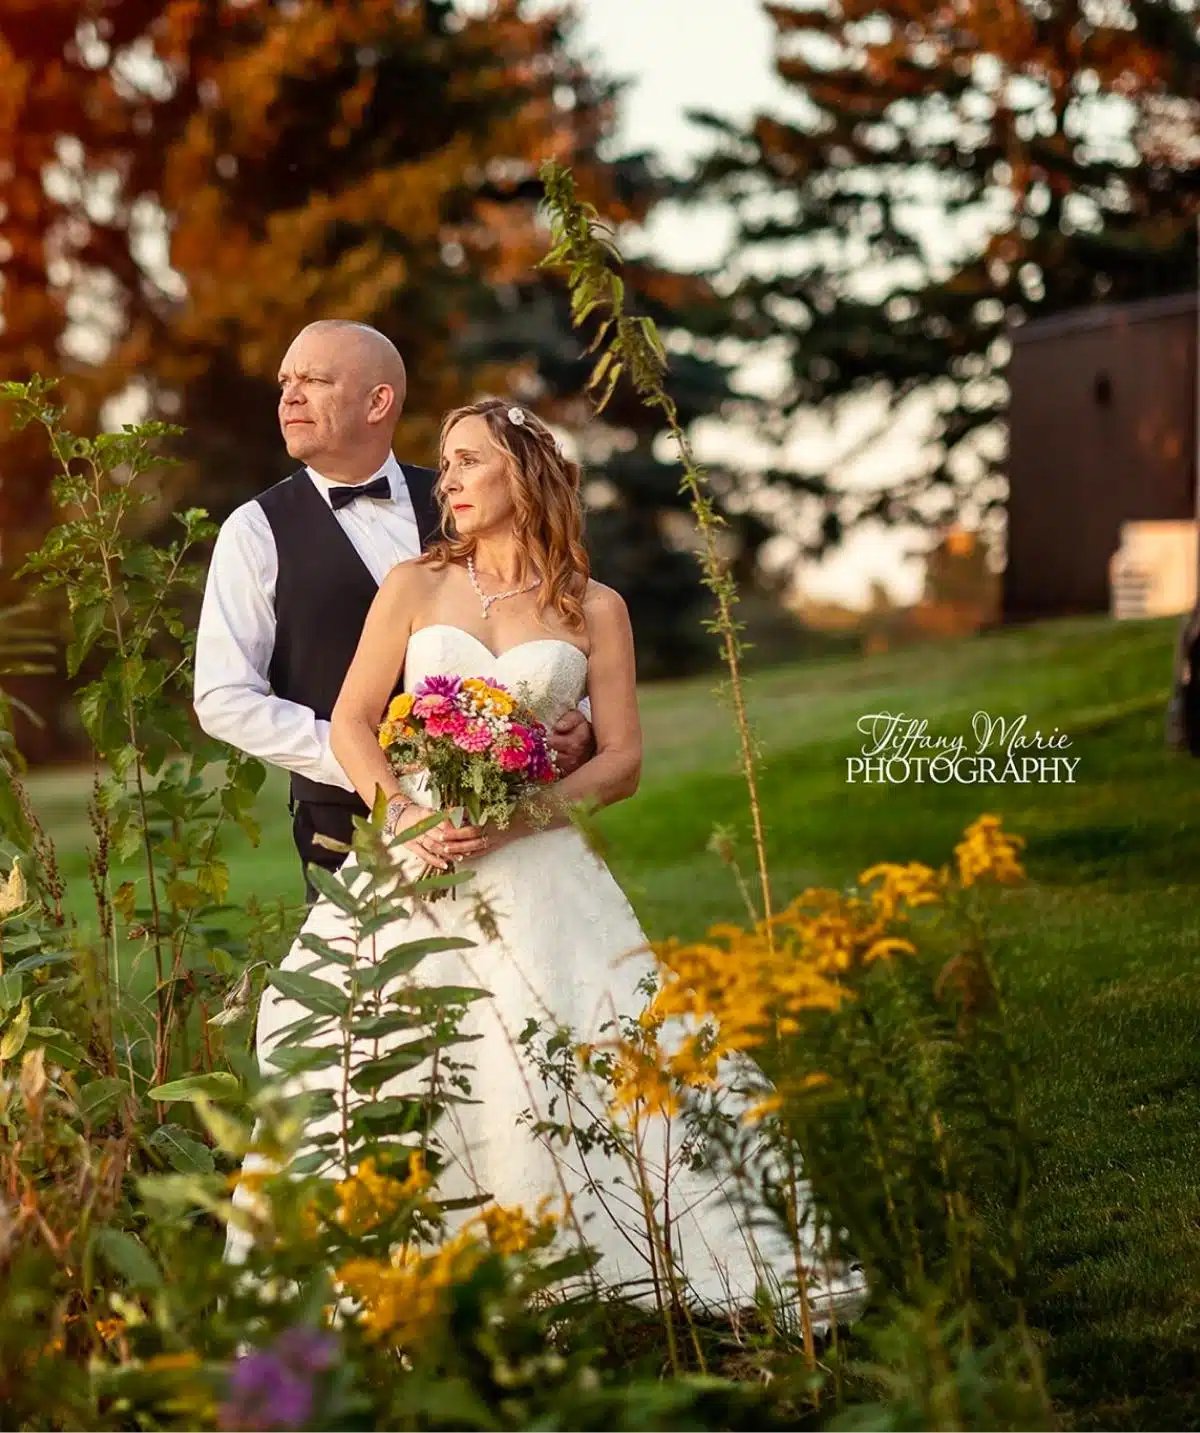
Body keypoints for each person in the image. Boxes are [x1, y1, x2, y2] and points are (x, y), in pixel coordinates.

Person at [225, 396, 864, 1318]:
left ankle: (582, 1266)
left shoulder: (595, 607)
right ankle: (386, 1279)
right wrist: (403, 814)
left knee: (569, 1046)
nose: (445, 480)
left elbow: (623, 759)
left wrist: (524, 818)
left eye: (466, 461)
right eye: (442, 463)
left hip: (538, 862)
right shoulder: (413, 585)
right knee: (371, 1046)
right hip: (413, 854)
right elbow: (355, 722)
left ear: (522, 474)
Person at [193, 321, 593, 900]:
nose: (289, 397)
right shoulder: (255, 531)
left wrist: (574, 720)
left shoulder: (470, 499)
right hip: (346, 826)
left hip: (504, 824)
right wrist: (369, 763)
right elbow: (223, 697)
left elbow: (545, 622)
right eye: (285, 382)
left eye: (314, 380)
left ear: (378, 401)